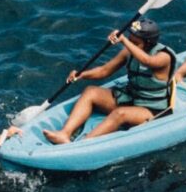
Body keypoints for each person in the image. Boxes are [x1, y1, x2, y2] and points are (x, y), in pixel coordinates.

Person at [44, 17, 178, 144]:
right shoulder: (130, 51)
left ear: (149, 43)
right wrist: (82, 75)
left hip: (151, 109)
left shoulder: (164, 57)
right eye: (130, 40)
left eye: (135, 43)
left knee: (120, 113)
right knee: (91, 91)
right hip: (131, 98)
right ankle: (64, 133)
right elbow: (104, 70)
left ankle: (83, 144)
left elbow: (147, 61)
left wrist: (124, 40)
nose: (131, 45)